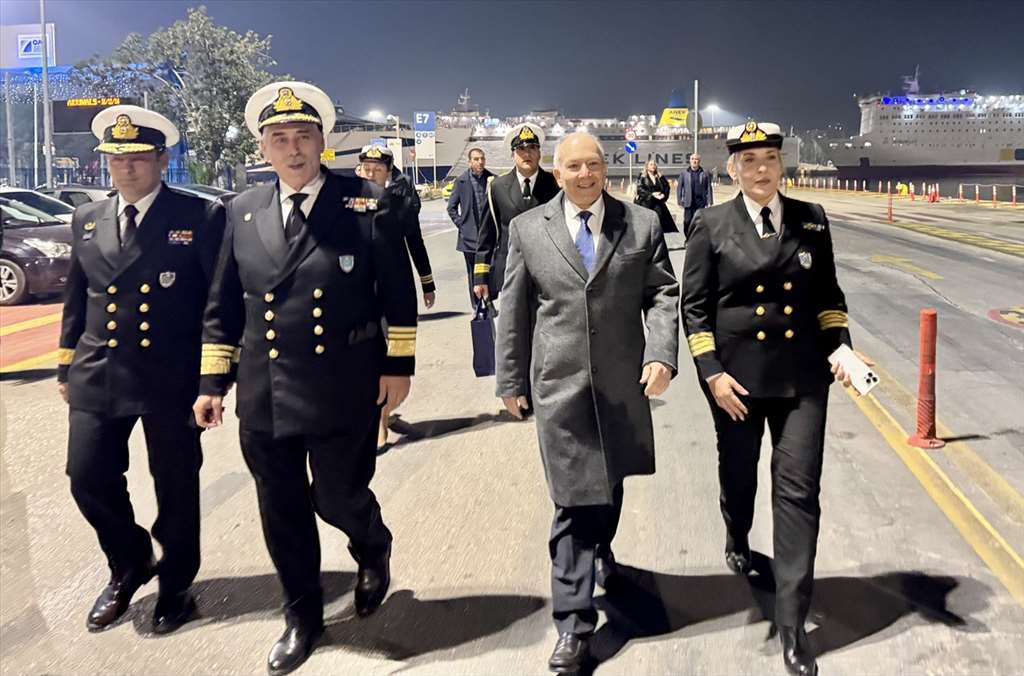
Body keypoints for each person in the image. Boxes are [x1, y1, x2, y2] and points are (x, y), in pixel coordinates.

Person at [192, 81, 417, 676]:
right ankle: (302, 616)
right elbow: (223, 304)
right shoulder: (240, 211)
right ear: (263, 148)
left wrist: (398, 367)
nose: (292, 149)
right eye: (279, 138)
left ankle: (372, 542)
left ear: (322, 142)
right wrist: (212, 382)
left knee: (337, 495)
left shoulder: (366, 201)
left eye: (303, 136)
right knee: (281, 507)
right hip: (265, 387)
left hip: (345, 379)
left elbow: (396, 290)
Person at [682, 121, 870, 676]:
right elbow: (695, 309)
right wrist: (712, 374)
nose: (760, 169)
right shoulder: (711, 223)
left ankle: (792, 623)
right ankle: (737, 531)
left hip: (801, 380)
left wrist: (842, 348)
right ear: (732, 169)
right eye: (749, 160)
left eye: (769, 158)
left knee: (799, 493)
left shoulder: (812, 219)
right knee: (739, 474)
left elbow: (828, 296)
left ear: (781, 165)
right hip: (737, 383)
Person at [496, 132, 679, 674]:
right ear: (557, 173)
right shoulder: (528, 229)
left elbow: (662, 294)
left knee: (610, 485)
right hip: (559, 387)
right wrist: (510, 381)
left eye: (593, 164)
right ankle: (574, 626)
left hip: (621, 384)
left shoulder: (641, 224)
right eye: (573, 166)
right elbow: (514, 310)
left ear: (606, 169)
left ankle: (602, 548)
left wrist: (661, 354)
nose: (584, 174)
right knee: (574, 501)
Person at [57, 105, 225, 634]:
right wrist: (65, 366)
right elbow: (77, 297)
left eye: (136, 158)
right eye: (115, 158)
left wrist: (213, 380)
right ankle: (129, 560)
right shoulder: (88, 218)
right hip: (98, 369)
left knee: (175, 487)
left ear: (161, 158)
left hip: (169, 375)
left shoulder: (199, 216)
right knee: (87, 476)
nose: (125, 167)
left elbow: (216, 303)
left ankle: (176, 584)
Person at [358, 143, 434, 447]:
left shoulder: (400, 204)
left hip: (393, 291)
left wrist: (427, 282)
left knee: (390, 354)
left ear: (388, 172)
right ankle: (376, 416)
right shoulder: (346, 204)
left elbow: (415, 242)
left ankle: (382, 416)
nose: (371, 174)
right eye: (367, 168)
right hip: (359, 292)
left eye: (377, 169)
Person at [473, 122, 558, 301]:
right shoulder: (497, 187)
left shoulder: (555, 185)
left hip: (548, 273)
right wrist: (480, 277)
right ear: (513, 154)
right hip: (509, 272)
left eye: (532, 148)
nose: (527, 154)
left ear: (539, 153)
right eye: (521, 149)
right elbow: (487, 235)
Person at [447, 147, 494, 306]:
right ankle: (477, 305)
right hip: (469, 238)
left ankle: (489, 302)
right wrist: (462, 225)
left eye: (482, 158)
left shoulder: (492, 180)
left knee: (489, 270)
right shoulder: (461, 181)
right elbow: (451, 208)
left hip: (488, 236)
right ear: (469, 162)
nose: (480, 162)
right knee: (473, 273)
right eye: (476, 159)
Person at [633, 159, 677, 233]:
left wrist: (663, 194)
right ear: (647, 166)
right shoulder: (642, 176)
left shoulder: (659, 176)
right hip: (646, 203)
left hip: (657, 202)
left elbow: (666, 187)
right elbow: (640, 189)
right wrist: (652, 194)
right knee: (647, 224)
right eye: (651, 164)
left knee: (659, 221)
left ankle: (656, 236)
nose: (653, 166)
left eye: (654, 164)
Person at [676, 152, 714, 238]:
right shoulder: (684, 173)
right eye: (692, 159)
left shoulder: (705, 173)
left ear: (699, 161)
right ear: (690, 161)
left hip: (700, 202)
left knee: (699, 222)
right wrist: (679, 201)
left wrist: (710, 201)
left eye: (696, 159)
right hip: (688, 202)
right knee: (687, 221)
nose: (694, 161)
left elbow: (708, 187)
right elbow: (679, 188)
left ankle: (696, 240)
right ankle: (688, 238)